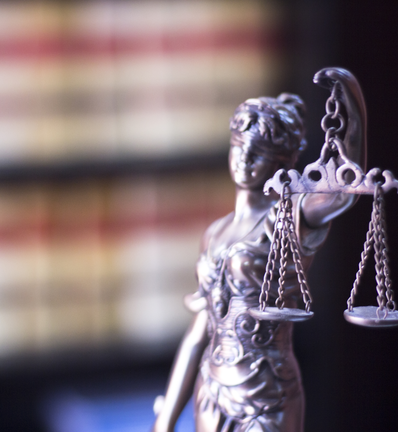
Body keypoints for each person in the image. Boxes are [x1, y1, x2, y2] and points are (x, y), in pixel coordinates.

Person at [151, 68, 366, 432]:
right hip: (213, 391)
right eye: (239, 147)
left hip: (269, 395)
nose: (244, 158)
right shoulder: (215, 233)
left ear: (281, 163)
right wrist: (166, 418)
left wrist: (353, 106)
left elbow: (346, 187)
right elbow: (198, 333)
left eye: (259, 152)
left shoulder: (289, 219)